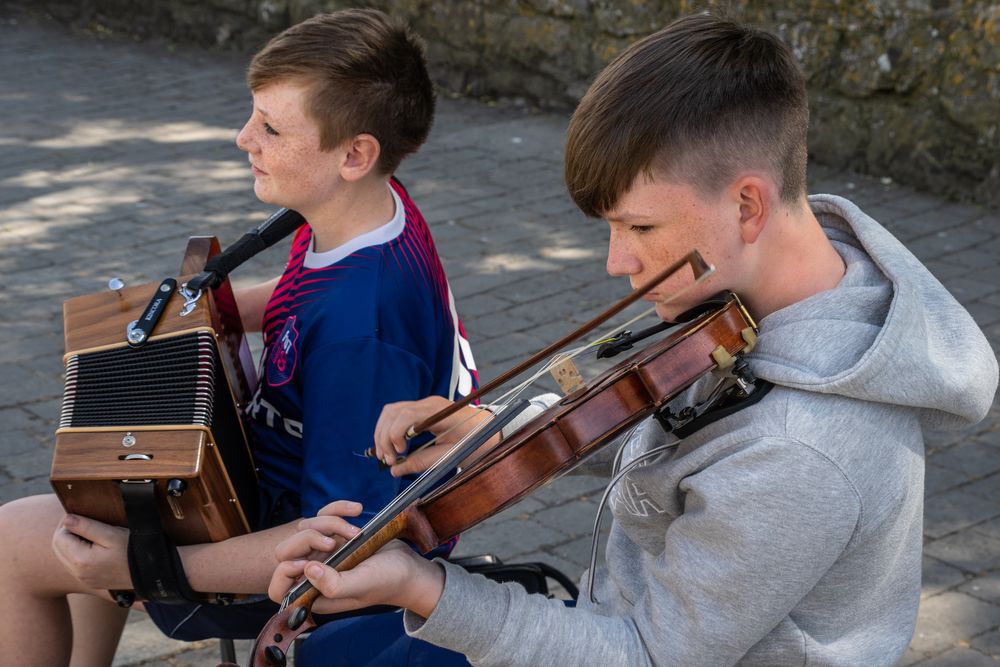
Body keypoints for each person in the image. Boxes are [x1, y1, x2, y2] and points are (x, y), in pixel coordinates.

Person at [268, 13, 999, 667]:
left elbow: (645, 653)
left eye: (640, 227)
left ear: (748, 203)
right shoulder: (758, 295)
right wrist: (497, 431)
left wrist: (422, 586)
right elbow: (678, 434)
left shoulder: (800, 451)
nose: (616, 262)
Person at [0, 9, 476, 666]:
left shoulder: (361, 330)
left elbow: (344, 555)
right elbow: (296, 298)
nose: (241, 137)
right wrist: (187, 315)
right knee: (94, 486)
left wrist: (150, 563)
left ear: (353, 153)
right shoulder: (363, 213)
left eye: (270, 127)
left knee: (13, 545)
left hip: (264, 556)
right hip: (261, 487)